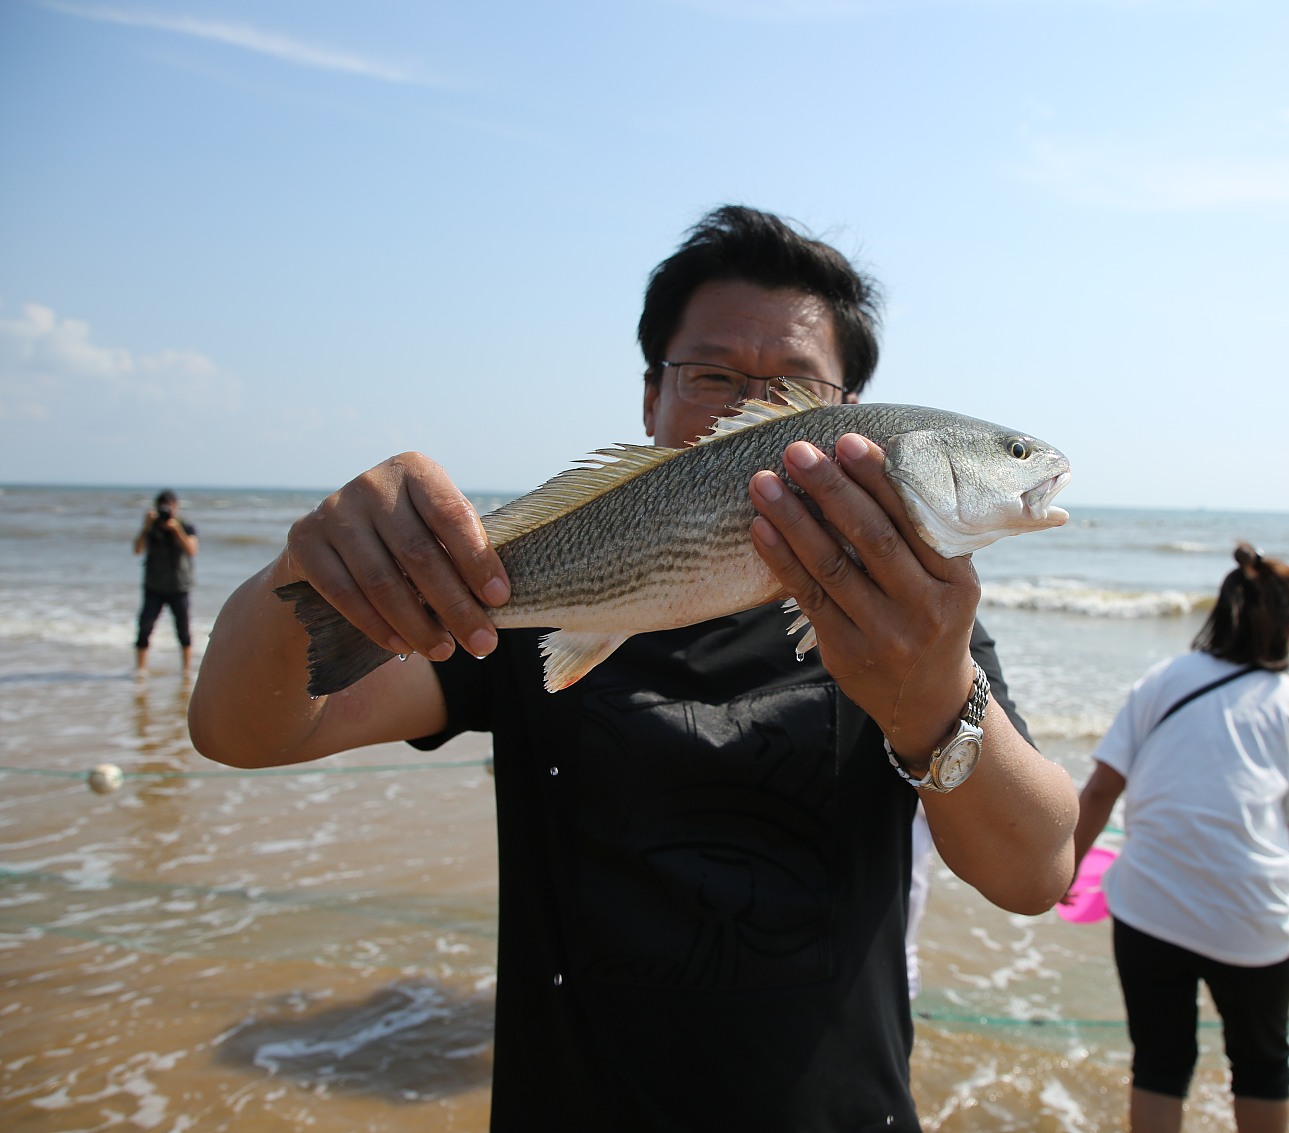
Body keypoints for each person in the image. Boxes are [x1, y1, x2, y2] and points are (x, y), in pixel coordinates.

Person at [189, 205, 1078, 1131]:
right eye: (711, 374)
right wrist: (306, 573)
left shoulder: (920, 630)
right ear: (650, 396)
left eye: (793, 386)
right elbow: (243, 731)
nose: (746, 406)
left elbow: (1036, 871)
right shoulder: (511, 620)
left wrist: (934, 695)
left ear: (850, 419)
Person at [1071, 543, 1289, 1133]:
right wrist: (1287, 900)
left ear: (1222, 610)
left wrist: (1066, 872)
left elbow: (1099, 792)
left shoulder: (1165, 680)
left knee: (1160, 1062)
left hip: (1149, 905)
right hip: (1251, 920)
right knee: (1262, 1065)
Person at [133, 489, 198, 675]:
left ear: (176, 508)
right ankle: (140, 670)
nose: (166, 512)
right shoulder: (151, 527)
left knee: (183, 630)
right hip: (154, 586)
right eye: (162, 508)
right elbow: (137, 549)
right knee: (144, 627)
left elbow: (192, 550)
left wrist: (176, 529)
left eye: (170, 507)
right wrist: (145, 527)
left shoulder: (185, 526)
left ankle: (186, 671)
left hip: (179, 586)